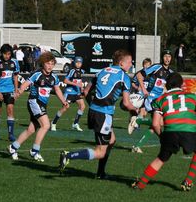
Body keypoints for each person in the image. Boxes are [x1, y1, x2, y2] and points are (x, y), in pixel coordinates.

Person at [58, 49, 138, 178]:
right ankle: (68, 156)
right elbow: (127, 104)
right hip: (104, 114)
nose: (131, 65)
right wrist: (136, 111)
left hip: (95, 111)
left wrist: (94, 104)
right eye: (129, 62)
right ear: (122, 63)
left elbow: (86, 91)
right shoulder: (124, 77)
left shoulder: (102, 71)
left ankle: (101, 173)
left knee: (111, 141)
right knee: (100, 152)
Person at [132, 73, 196, 191]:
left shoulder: (159, 99)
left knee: (161, 159)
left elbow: (155, 124)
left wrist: (162, 137)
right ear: (182, 84)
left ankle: (141, 184)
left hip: (170, 132)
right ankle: (188, 181)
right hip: (189, 131)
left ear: (166, 85)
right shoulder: (192, 96)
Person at [8, 52, 68, 162]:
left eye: (52, 63)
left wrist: (63, 101)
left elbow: (57, 89)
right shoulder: (37, 74)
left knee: (31, 129)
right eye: (48, 63)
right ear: (43, 63)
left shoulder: (54, 77)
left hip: (42, 104)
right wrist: (19, 91)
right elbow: (26, 83)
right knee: (45, 125)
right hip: (34, 102)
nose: (50, 66)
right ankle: (35, 150)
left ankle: (13, 147)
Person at [128, 50, 174, 154]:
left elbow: (166, 87)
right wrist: (143, 89)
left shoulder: (171, 73)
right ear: (162, 57)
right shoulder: (156, 67)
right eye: (165, 56)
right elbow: (140, 75)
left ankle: (137, 146)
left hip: (160, 100)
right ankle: (138, 121)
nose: (167, 58)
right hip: (151, 98)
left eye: (169, 56)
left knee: (156, 125)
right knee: (158, 123)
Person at [0, 44, 20, 141]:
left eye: (9, 54)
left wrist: (16, 89)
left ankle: (11, 134)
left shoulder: (14, 62)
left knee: (10, 110)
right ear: (1, 53)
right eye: (5, 54)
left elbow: (16, 76)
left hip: (10, 90)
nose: (7, 56)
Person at [51, 56, 86, 132]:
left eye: (80, 63)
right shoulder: (72, 71)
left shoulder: (82, 71)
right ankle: (53, 123)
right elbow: (65, 81)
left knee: (82, 106)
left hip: (76, 92)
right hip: (69, 92)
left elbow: (79, 81)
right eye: (77, 62)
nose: (78, 64)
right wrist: (76, 84)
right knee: (65, 107)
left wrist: (81, 88)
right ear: (74, 62)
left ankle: (75, 124)